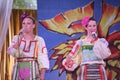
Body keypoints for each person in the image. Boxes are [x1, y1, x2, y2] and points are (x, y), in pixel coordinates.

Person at [7, 14, 49, 80]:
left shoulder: (39, 40)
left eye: (28, 23)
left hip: (33, 69)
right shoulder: (16, 38)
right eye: (23, 23)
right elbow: (12, 52)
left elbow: (43, 57)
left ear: (33, 26)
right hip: (19, 68)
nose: (25, 25)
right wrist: (20, 38)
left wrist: (42, 75)